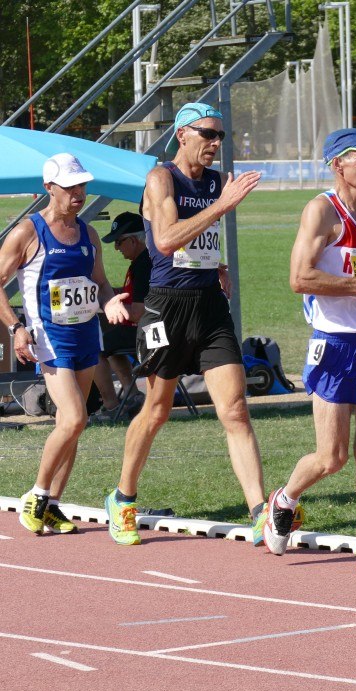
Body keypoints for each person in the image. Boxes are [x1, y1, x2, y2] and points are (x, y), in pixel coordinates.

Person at [104, 102, 299, 546]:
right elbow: (168, 240)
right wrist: (223, 205)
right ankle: (122, 497)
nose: (215, 143)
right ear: (182, 134)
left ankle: (258, 514)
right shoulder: (161, 178)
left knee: (235, 408)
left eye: (221, 136)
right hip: (167, 307)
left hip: (209, 305)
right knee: (156, 410)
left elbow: (199, 240)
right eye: (208, 134)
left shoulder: (214, 181)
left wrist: (218, 264)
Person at [261, 127, 356, 578]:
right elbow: (300, 278)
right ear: (336, 164)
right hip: (335, 346)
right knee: (332, 457)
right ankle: (284, 499)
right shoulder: (321, 211)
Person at [0, 153, 128, 535]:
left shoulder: (88, 234)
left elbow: (101, 281)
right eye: (70, 186)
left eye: (82, 185)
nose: (78, 193)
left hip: (87, 334)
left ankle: (53, 503)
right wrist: (16, 328)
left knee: (73, 424)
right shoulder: (28, 232)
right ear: (49, 188)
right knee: (73, 417)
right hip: (50, 338)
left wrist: (109, 302)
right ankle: (37, 494)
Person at [89, 211, 151, 423]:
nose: (116, 248)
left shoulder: (144, 266)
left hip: (150, 333)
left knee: (94, 348)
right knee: (112, 343)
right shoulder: (146, 260)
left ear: (133, 240)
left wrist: (109, 306)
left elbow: (139, 313)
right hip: (159, 330)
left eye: (118, 242)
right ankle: (132, 394)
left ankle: (111, 406)